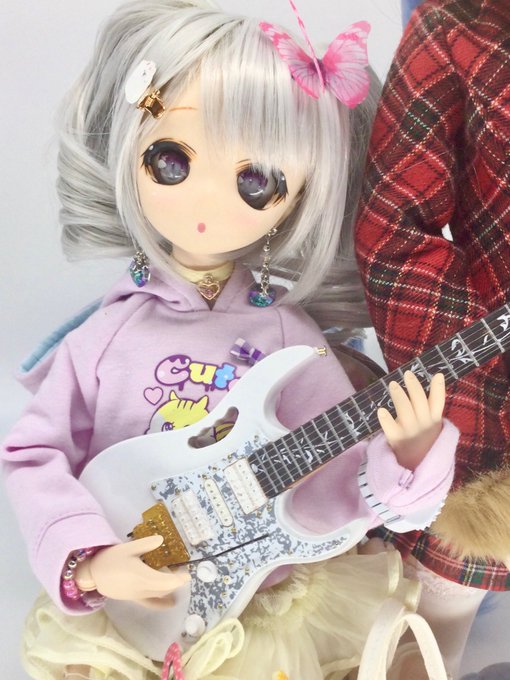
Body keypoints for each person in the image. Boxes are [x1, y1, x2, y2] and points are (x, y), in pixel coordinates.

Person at [2, 1, 457, 678]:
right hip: (139, 593)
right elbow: (34, 453)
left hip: (264, 606)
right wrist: (86, 557)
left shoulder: (290, 339)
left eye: (255, 182)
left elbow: (338, 489)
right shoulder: (105, 335)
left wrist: (407, 460)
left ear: (300, 197)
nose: (207, 202)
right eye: (171, 161)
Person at [355, 0, 510, 676]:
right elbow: (393, 232)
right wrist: (474, 380)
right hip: (489, 429)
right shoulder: (458, 27)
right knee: (420, 645)